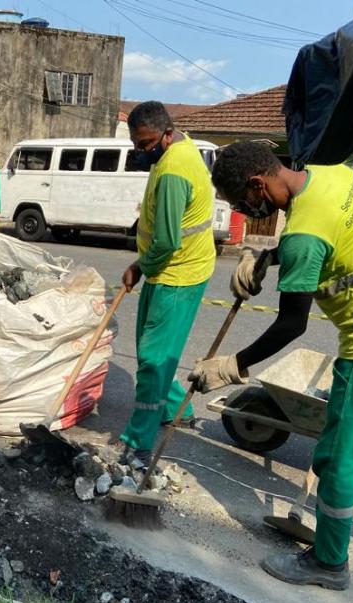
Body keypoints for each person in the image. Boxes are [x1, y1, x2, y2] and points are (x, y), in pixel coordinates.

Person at [192, 141, 353, 590]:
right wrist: (266, 257)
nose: (248, 211)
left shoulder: (302, 239)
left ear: (258, 182)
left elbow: (291, 324)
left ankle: (328, 563)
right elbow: (334, 240)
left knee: (339, 456)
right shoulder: (333, 172)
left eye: (244, 202)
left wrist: (232, 366)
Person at [118, 101, 217, 466]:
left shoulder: (175, 168)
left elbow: (167, 241)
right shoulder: (181, 149)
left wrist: (138, 266)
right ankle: (175, 407)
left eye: (146, 145)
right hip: (177, 271)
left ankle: (138, 445)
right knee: (160, 350)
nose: (141, 152)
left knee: (152, 361)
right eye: (136, 145)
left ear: (167, 134)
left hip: (175, 275)